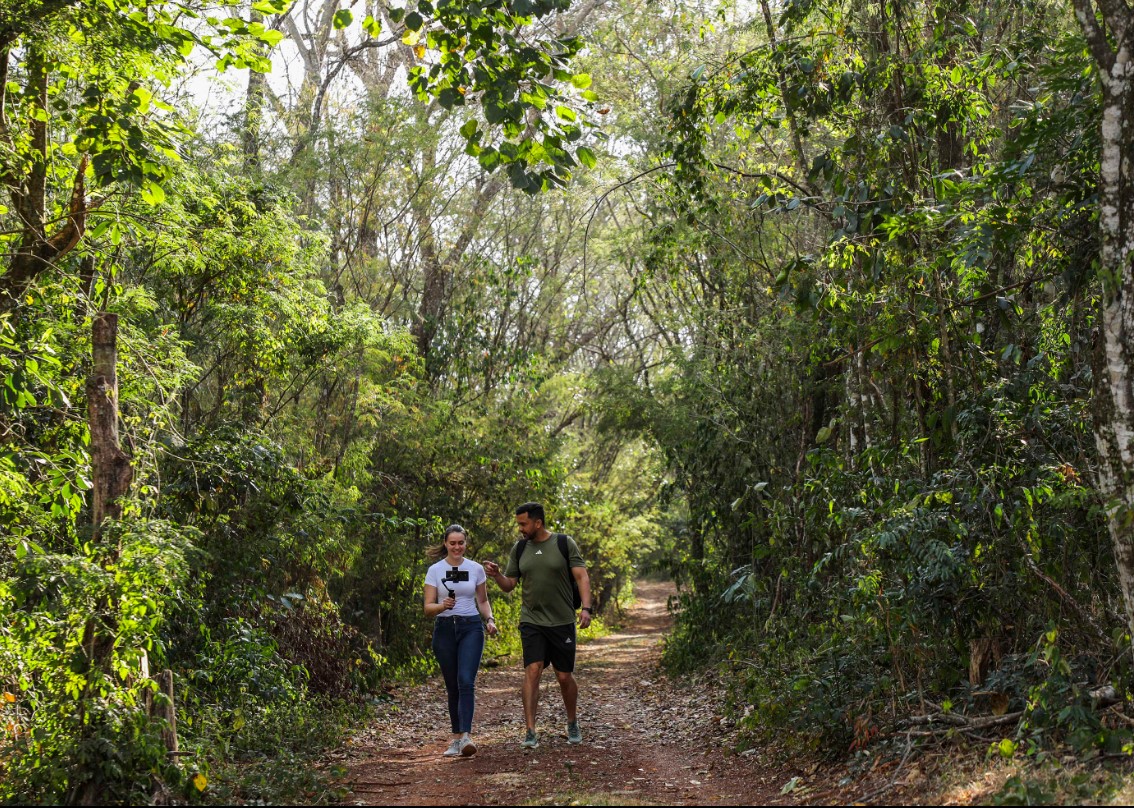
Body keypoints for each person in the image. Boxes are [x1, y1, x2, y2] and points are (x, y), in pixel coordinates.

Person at [484, 502, 593, 749]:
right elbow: (510, 584)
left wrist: (586, 609)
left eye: (523, 524)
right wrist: (498, 575)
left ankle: (572, 721)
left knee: (564, 676)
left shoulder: (564, 543)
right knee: (533, 669)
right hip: (532, 620)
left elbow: (581, 576)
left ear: (537, 523)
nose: (520, 529)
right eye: (519, 524)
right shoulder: (520, 548)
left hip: (562, 621)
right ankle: (530, 730)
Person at [424, 524, 498, 757]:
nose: (457, 547)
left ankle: (466, 736)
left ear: (466, 544)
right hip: (445, 628)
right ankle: (455, 738)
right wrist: (441, 605)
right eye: (452, 543)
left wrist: (490, 619)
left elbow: (483, 600)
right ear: (445, 543)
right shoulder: (435, 570)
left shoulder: (476, 569)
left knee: (466, 680)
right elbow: (427, 608)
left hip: (471, 627)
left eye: (461, 543)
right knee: (452, 684)